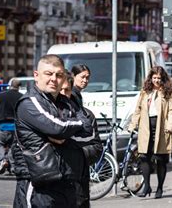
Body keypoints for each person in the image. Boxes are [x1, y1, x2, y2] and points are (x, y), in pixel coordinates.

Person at [12, 54, 94, 207]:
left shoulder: (68, 102)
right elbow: (58, 128)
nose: (54, 79)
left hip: (66, 181)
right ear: (36, 75)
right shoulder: (29, 103)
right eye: (48, 74)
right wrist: (66, 129)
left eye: (59, 75)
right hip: (38, 184)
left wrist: (64, 132)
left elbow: (89, 129)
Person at [128, 66, 172, 199]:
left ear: (163, 79)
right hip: (146, 129)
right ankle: (147, 186)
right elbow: (138, 109)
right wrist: (132, 125)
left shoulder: (168, 92)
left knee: (160, 159)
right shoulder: (145, 92)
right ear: (150, 78)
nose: (156, 80)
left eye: (159, 78)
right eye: (154, 78)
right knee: (144, 157)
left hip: (162, 129)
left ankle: (160, 188)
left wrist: (170, 125)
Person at [61, 70, 103, 208]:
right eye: (59, 90)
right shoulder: (43, 114)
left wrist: (76, 156)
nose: (62, 94)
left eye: (66, 90)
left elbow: (96, 147)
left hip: (78, 180)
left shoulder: (86, 116)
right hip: (52, 183)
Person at [0, 79, 23, 175]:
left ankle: (2, 161)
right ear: (19, 87)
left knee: (0, 144)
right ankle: (12, 166)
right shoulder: (21, 97)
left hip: (2, 124)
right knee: (13, 146)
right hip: (14, 126)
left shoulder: (3, 95)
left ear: (10, 86)